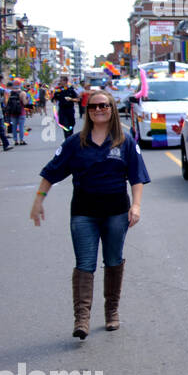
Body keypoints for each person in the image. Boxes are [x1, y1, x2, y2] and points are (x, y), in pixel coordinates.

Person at [31, 89, 149, 339]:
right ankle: (82, 319)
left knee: (114, 261)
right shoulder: (76, 142)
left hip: (116, 213)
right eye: (93, 107)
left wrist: (136, 206)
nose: (98, 110)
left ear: (112, 109)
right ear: (88, 111)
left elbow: (137, 177)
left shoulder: (125, 140)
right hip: (84, 213)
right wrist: (38, 201)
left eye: (103, 106)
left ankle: (111, 313)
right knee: (85, 264)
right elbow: (51, 172)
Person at [7, 80, 31, 144]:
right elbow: (25, 103)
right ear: (20, 85)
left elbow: (7, 103)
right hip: (21, 112)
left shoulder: (10, 93)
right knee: (21, 126)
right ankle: (21, 140)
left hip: (12, 112)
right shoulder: (22, 93)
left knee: (14, 127)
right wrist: (28, 99)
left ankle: (15, 141)